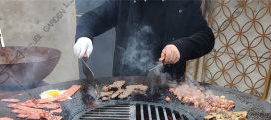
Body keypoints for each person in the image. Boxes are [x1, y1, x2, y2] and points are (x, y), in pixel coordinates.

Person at [74, 0, 215, 80]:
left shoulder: (185, 3)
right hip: (126, 81)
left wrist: (180, 47)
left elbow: (206, 36)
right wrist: (84, 37)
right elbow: (94, 17)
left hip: (168, 86)